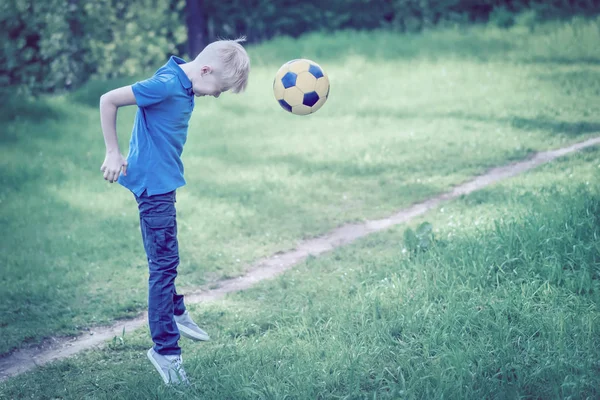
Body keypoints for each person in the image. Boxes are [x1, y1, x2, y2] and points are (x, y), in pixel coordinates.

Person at [98, 38, 250, 385]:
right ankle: (165, 351)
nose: (216, 95)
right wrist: (113, 152)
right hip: (154, 187)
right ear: (205, 70)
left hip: (161, 183)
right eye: (218, 89)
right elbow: (109, 100)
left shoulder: (181, 79)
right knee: (163, 267)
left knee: (165, 261)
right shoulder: (167, 84)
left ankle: (175, 308)